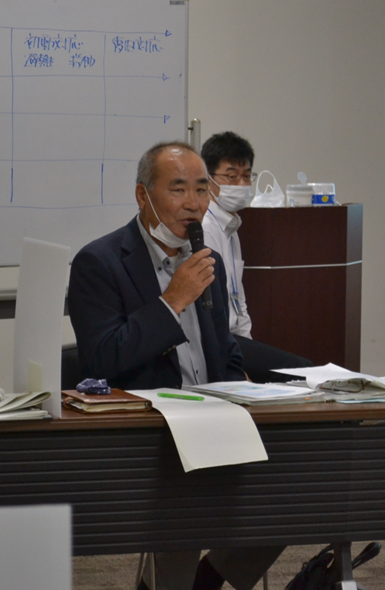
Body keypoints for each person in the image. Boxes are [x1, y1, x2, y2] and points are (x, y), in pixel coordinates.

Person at [68, 141, 282, 590]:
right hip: (152, 431)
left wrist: (244, 388)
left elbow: (225, 348)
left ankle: (210, 579)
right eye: (178, 189)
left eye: (202, 190)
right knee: (184, 512)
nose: (193, 203)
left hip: (217, 416)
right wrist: (171, 303)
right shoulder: (99, 262)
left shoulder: (207, 261)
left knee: (293, 490)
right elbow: (102, 359)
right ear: (143, 196)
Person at [200, 131, 312, 381]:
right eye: (231, 177)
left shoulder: (231, 227)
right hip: (217, 342)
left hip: (235, 341)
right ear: (208, 179)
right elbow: (208, 311)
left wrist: (248, 351)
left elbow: (239, 300)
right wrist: (237, 365)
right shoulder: (206, 227)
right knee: (303, 372)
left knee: (302, 373)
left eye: (247, 176)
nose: (241, 185)